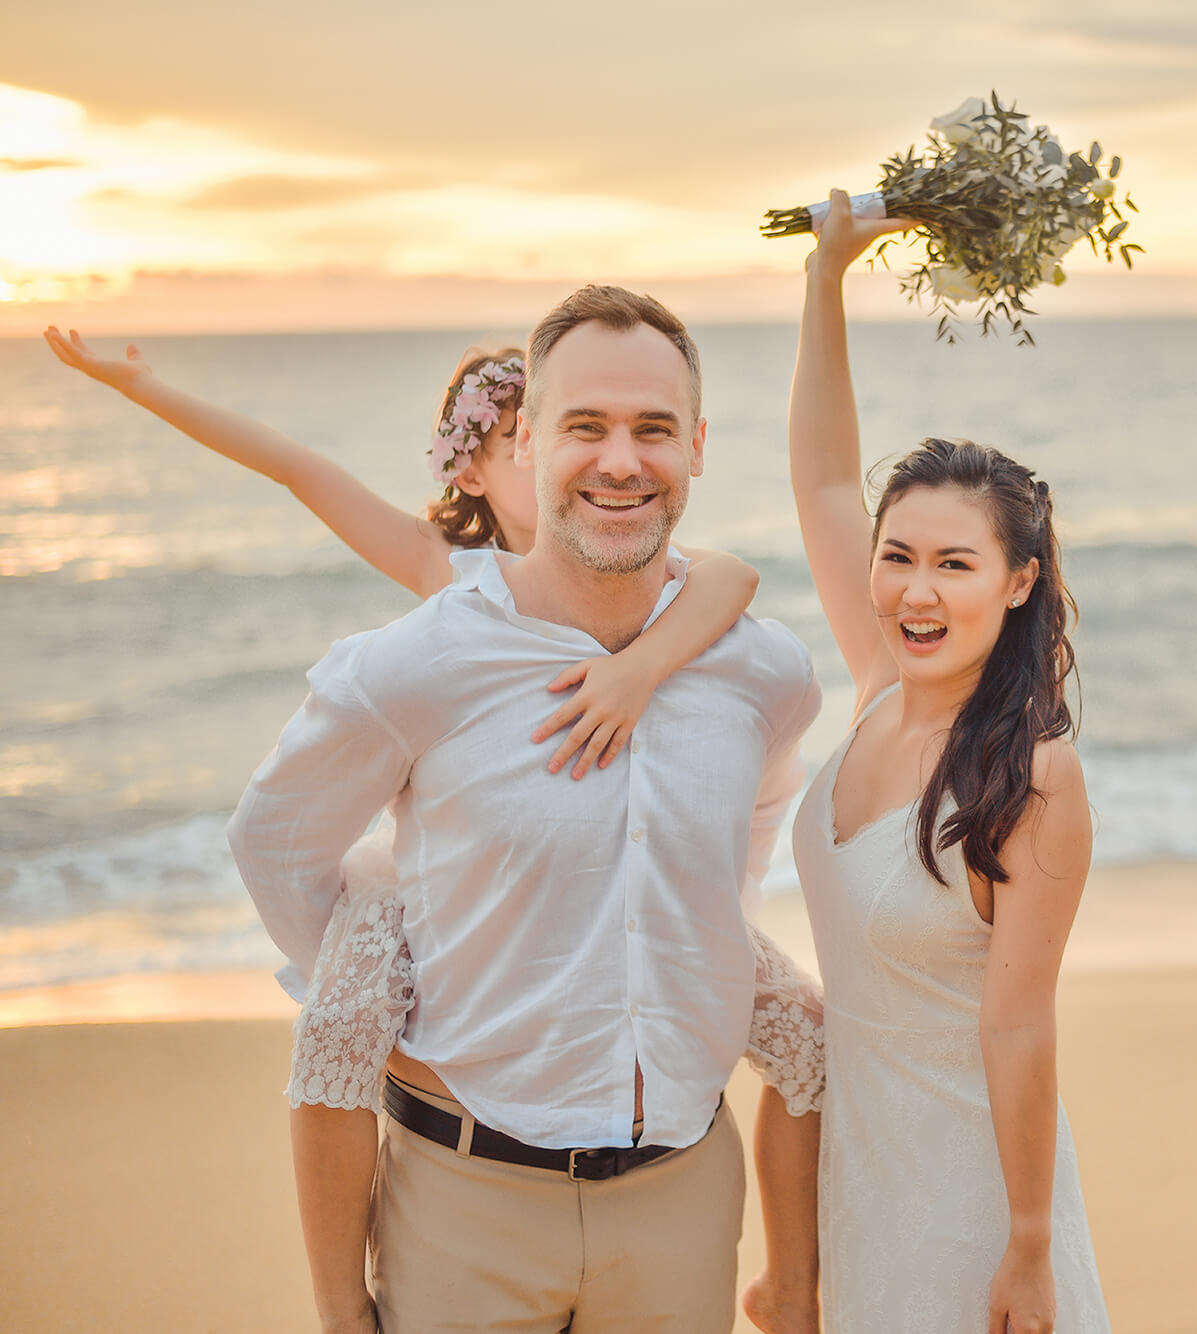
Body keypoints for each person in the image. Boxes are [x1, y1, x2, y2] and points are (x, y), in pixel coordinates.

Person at [46, 327, 828, 1334]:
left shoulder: (732, 644)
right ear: (515, 452)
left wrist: (643, 690)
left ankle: (794, 1284)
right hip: (451, 1002)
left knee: (807, 1034)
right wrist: (406, 943)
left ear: (694, 444)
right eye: (563, 430)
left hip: (675, 1152)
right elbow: (298, 471)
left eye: (650, 430)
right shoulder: (443, 591)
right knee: (339, 1023)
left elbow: (729, 597)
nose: (616, 460)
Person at [787, 190, 1111, 1332]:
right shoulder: (878, 684)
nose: (915, 590)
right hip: (861, 1175)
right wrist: (826, 276)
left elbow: (1017, 1023)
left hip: (974, 1203)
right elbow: (825, 479)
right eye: (898, 557)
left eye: (955, 564)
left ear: (1016, 579)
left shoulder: (1030, 775)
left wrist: (1028, 1245)